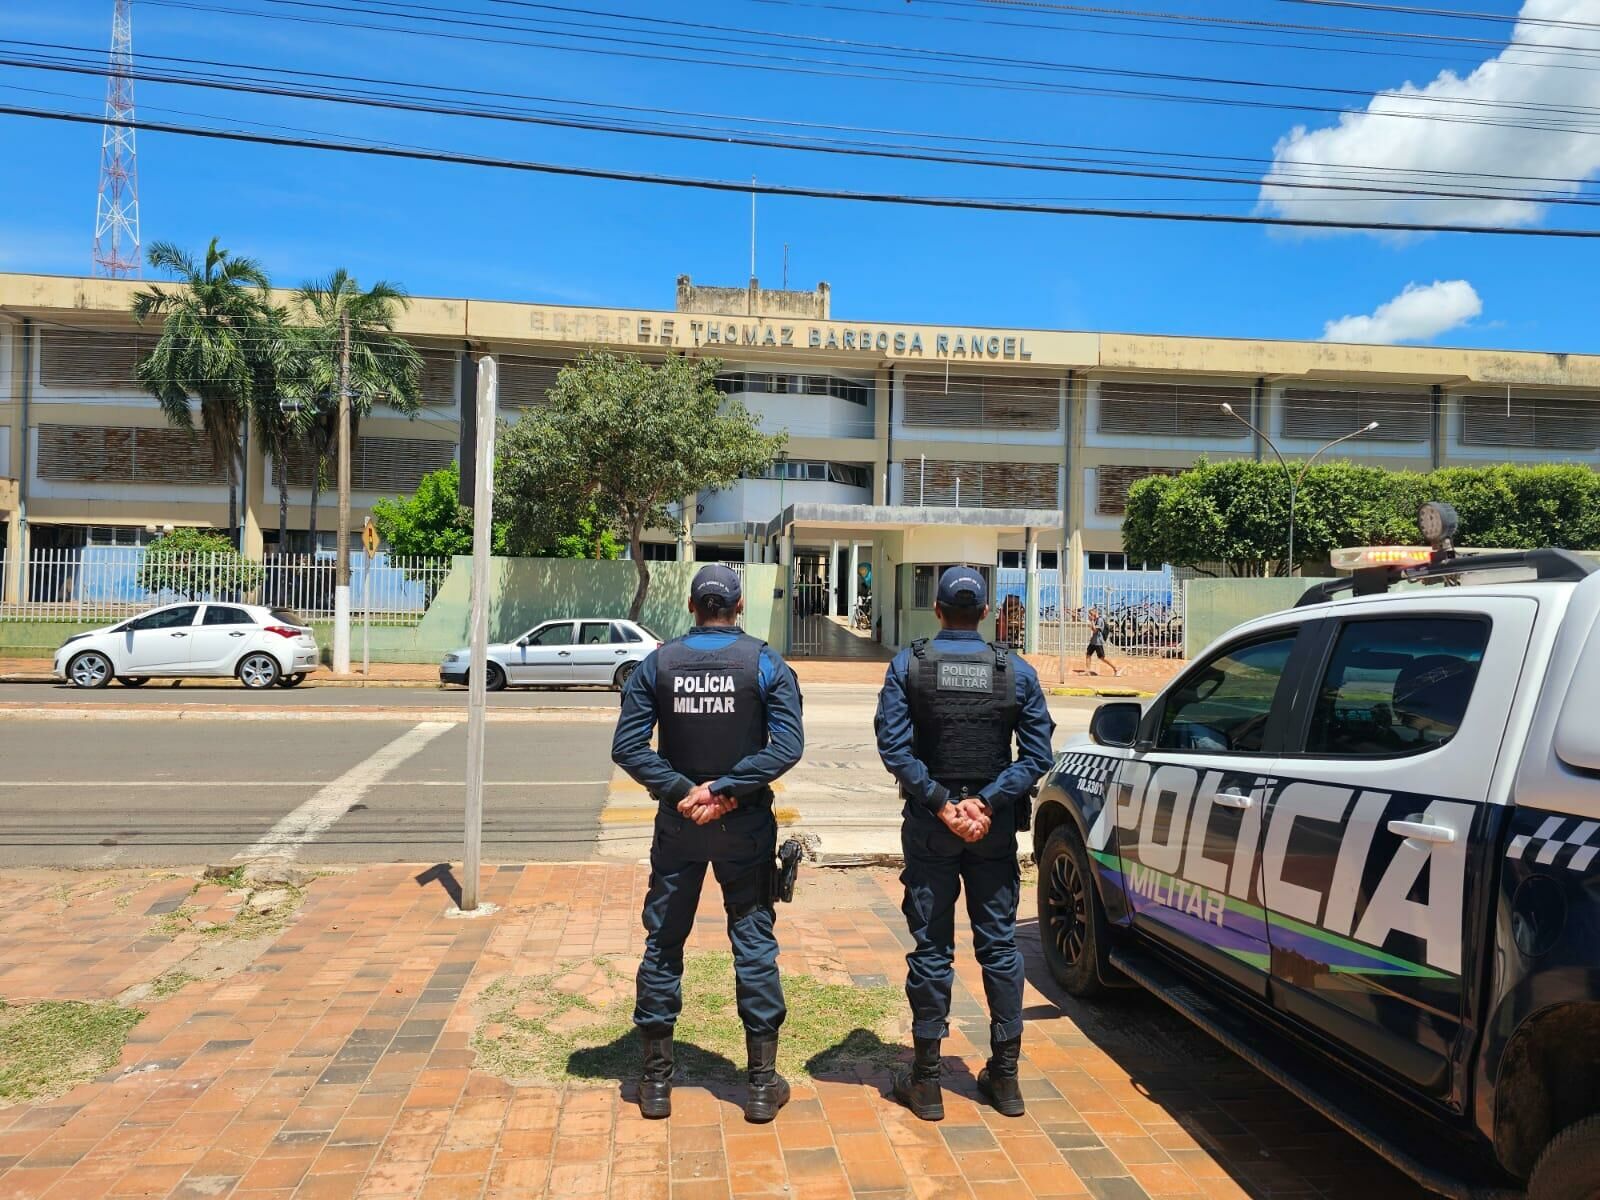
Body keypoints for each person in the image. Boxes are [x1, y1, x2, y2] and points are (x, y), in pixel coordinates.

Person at [612, 564, 805, 1124]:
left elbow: (629, 747)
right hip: (741, 827)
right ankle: (763, 1086)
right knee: (753, 944)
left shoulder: (659, 663)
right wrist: (725, 790)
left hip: (680, 827)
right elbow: (786, 747)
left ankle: (654, 1085)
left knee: (663, 944)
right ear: (738, 605)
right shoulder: (765, 662)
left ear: (693, 607)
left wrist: (685, 792)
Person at [874, 566, 1056, 1121]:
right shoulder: (1014, 670)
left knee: (932, 948)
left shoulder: (911, 664)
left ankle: (927, 1080)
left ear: (937, 608)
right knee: (1000, 947)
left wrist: (941, 802)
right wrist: (986, 804)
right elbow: (1037, 756)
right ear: (985, 611)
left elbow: (894, 747)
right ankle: (1006, 1077)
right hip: (991, 828)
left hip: (933, 825)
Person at [1083, 606, 1123, 678]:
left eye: (1090, 614)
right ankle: (1088, 671)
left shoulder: (1100, 620)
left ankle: (1116, 669)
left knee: (1102, 658)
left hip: (1098, 642)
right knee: (1088, 654)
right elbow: (1093, 630)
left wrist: (1092, 621)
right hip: (1093, 641)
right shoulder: (1095, 620)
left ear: (1094, 614)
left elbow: (1095, 630)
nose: (1089, 616)